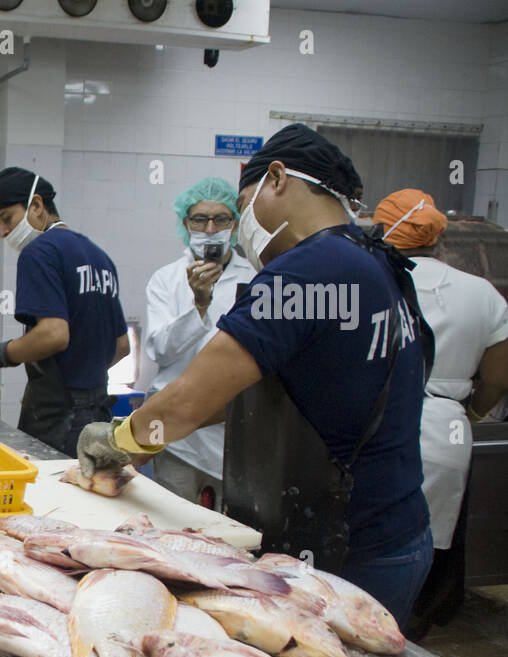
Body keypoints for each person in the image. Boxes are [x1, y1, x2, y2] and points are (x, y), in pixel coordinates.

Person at [78, 125, 434, 625]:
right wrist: (152, 429)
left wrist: (120, 440)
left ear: (277, 178)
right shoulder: (374, 258)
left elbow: (186, 403)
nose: (242, 227)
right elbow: (268, 391)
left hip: (343, 551)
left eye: (243, 208)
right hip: (400, 533)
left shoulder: (306, 270)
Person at [372, 188, 508, 627]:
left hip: (371, 424)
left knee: (373, 544)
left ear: (382, 230)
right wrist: (467, 417)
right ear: (438, 237)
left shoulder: (366, 283)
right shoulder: (481, 292)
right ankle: (417, 625)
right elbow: (498, 378)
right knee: (427, 543)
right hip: (447, 428)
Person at [0, 167, 129, 457]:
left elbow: (54, 334)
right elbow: (121, 346)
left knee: (49, 497)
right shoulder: (99, 256)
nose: (3, 231)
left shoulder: (40, 250)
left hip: (59, 422)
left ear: (37, 205)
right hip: (97, 416)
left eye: (6, 218)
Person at [142, 177, 256, 508]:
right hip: (178, 438)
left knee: (231, 532)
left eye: (220, 218)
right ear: (185, 223)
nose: (209, 228)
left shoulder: (254, 279)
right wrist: (200, 305)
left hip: (232, 434)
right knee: (173, 526)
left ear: (234, 224)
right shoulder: (166, 279)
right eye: (199, 219)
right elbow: (160, 350)